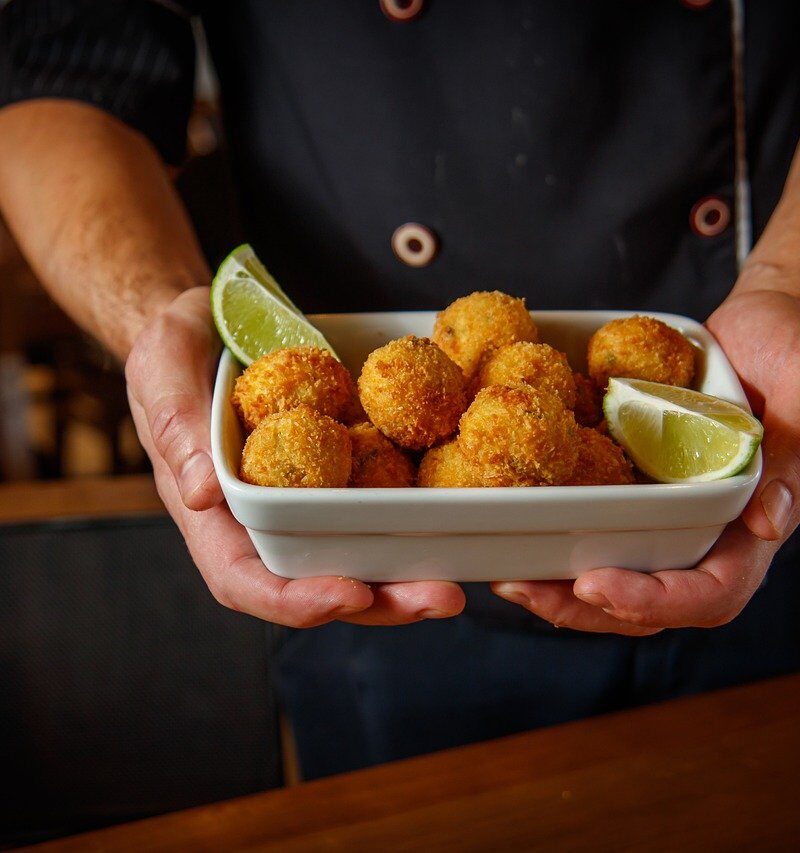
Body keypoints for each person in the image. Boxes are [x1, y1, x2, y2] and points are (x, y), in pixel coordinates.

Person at [1, 0, 799, 778]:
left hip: (749, 531)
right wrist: (159, 315)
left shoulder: (539, 397)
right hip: (366, 588)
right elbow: (59, 64)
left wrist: (788, 281)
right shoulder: (378, 413)